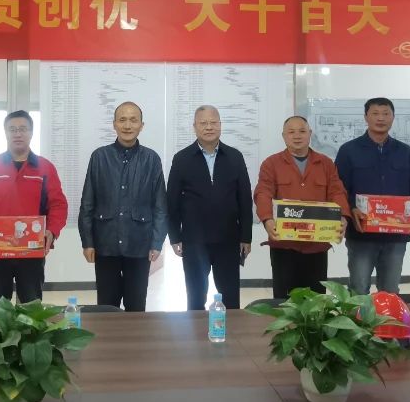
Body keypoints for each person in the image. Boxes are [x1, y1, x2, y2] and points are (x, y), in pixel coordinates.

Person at [0, 110, 68, 307]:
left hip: (31, 249)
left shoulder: (45, 167)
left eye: (23, 129)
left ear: (31, 133)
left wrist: (52, 231)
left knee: (31, 305)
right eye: (12, 129)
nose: (18, 134)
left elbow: (58, 204)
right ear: (5, 133)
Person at [78, 102, 167, 312]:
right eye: (122, 120)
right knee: (106, 305)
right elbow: (87, 203)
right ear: (114, 124)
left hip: (139, 244)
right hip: (105, 243)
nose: (128, 125)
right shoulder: (99, 157)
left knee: (136, 306)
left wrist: (157, 243)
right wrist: (87, 242)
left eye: (133, 120)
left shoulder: (151, 159)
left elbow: (160, 206)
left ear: (142, 125)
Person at [335, 98, 410, 296]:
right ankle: (358, 318)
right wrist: (351, 208)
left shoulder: (405, 152)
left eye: (386, 114)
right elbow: (338, 189)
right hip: (361, 234)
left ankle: (387, 318)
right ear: (366, 117)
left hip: (396, 235)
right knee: (359, 289)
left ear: (393, 117)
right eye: (375, 113)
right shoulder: (349, 151)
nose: (381, 118)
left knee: (390, 291)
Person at [167, 105, 252, 310]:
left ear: (220, 125)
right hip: (194, 240)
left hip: (228, 239)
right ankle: (196, 330)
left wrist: (246, 237)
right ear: (194, 127)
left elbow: (244, 199)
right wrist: (175, 237)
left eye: (213, 122)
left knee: (230, 297)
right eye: (203, 123)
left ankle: (231, 329)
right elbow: (172, 201)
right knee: (195, 297)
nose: (209, 127)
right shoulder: (182, 158)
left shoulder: (235, 156)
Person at [255, 116, 349, 298]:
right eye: (291, 132)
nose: (297, 136)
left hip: (316, 244)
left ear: (310, 134)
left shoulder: (325, 163)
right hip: (284, 245)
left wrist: (343, 217)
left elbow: (337, 192)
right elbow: (263, 193)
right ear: (284, 136)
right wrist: (267, 219)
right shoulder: (271, 164)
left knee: (316, 299)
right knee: (284, 299)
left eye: (302, 131)